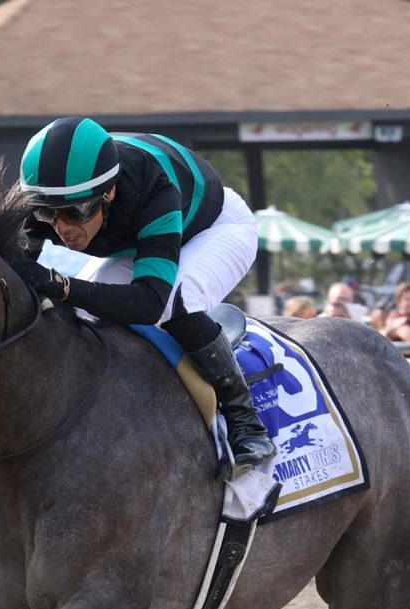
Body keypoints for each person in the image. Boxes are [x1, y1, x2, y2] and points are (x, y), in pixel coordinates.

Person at [15, 116, 274, 479]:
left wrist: (62, 285)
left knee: (175, 304)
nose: (61, 228)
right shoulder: (46, 193)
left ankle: (246, 422)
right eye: (48, 214)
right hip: (139, 239)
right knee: (85, 318)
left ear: (109, 193)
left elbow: (149, 301)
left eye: (74, 212)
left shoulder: (153, 188)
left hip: (215, 227)